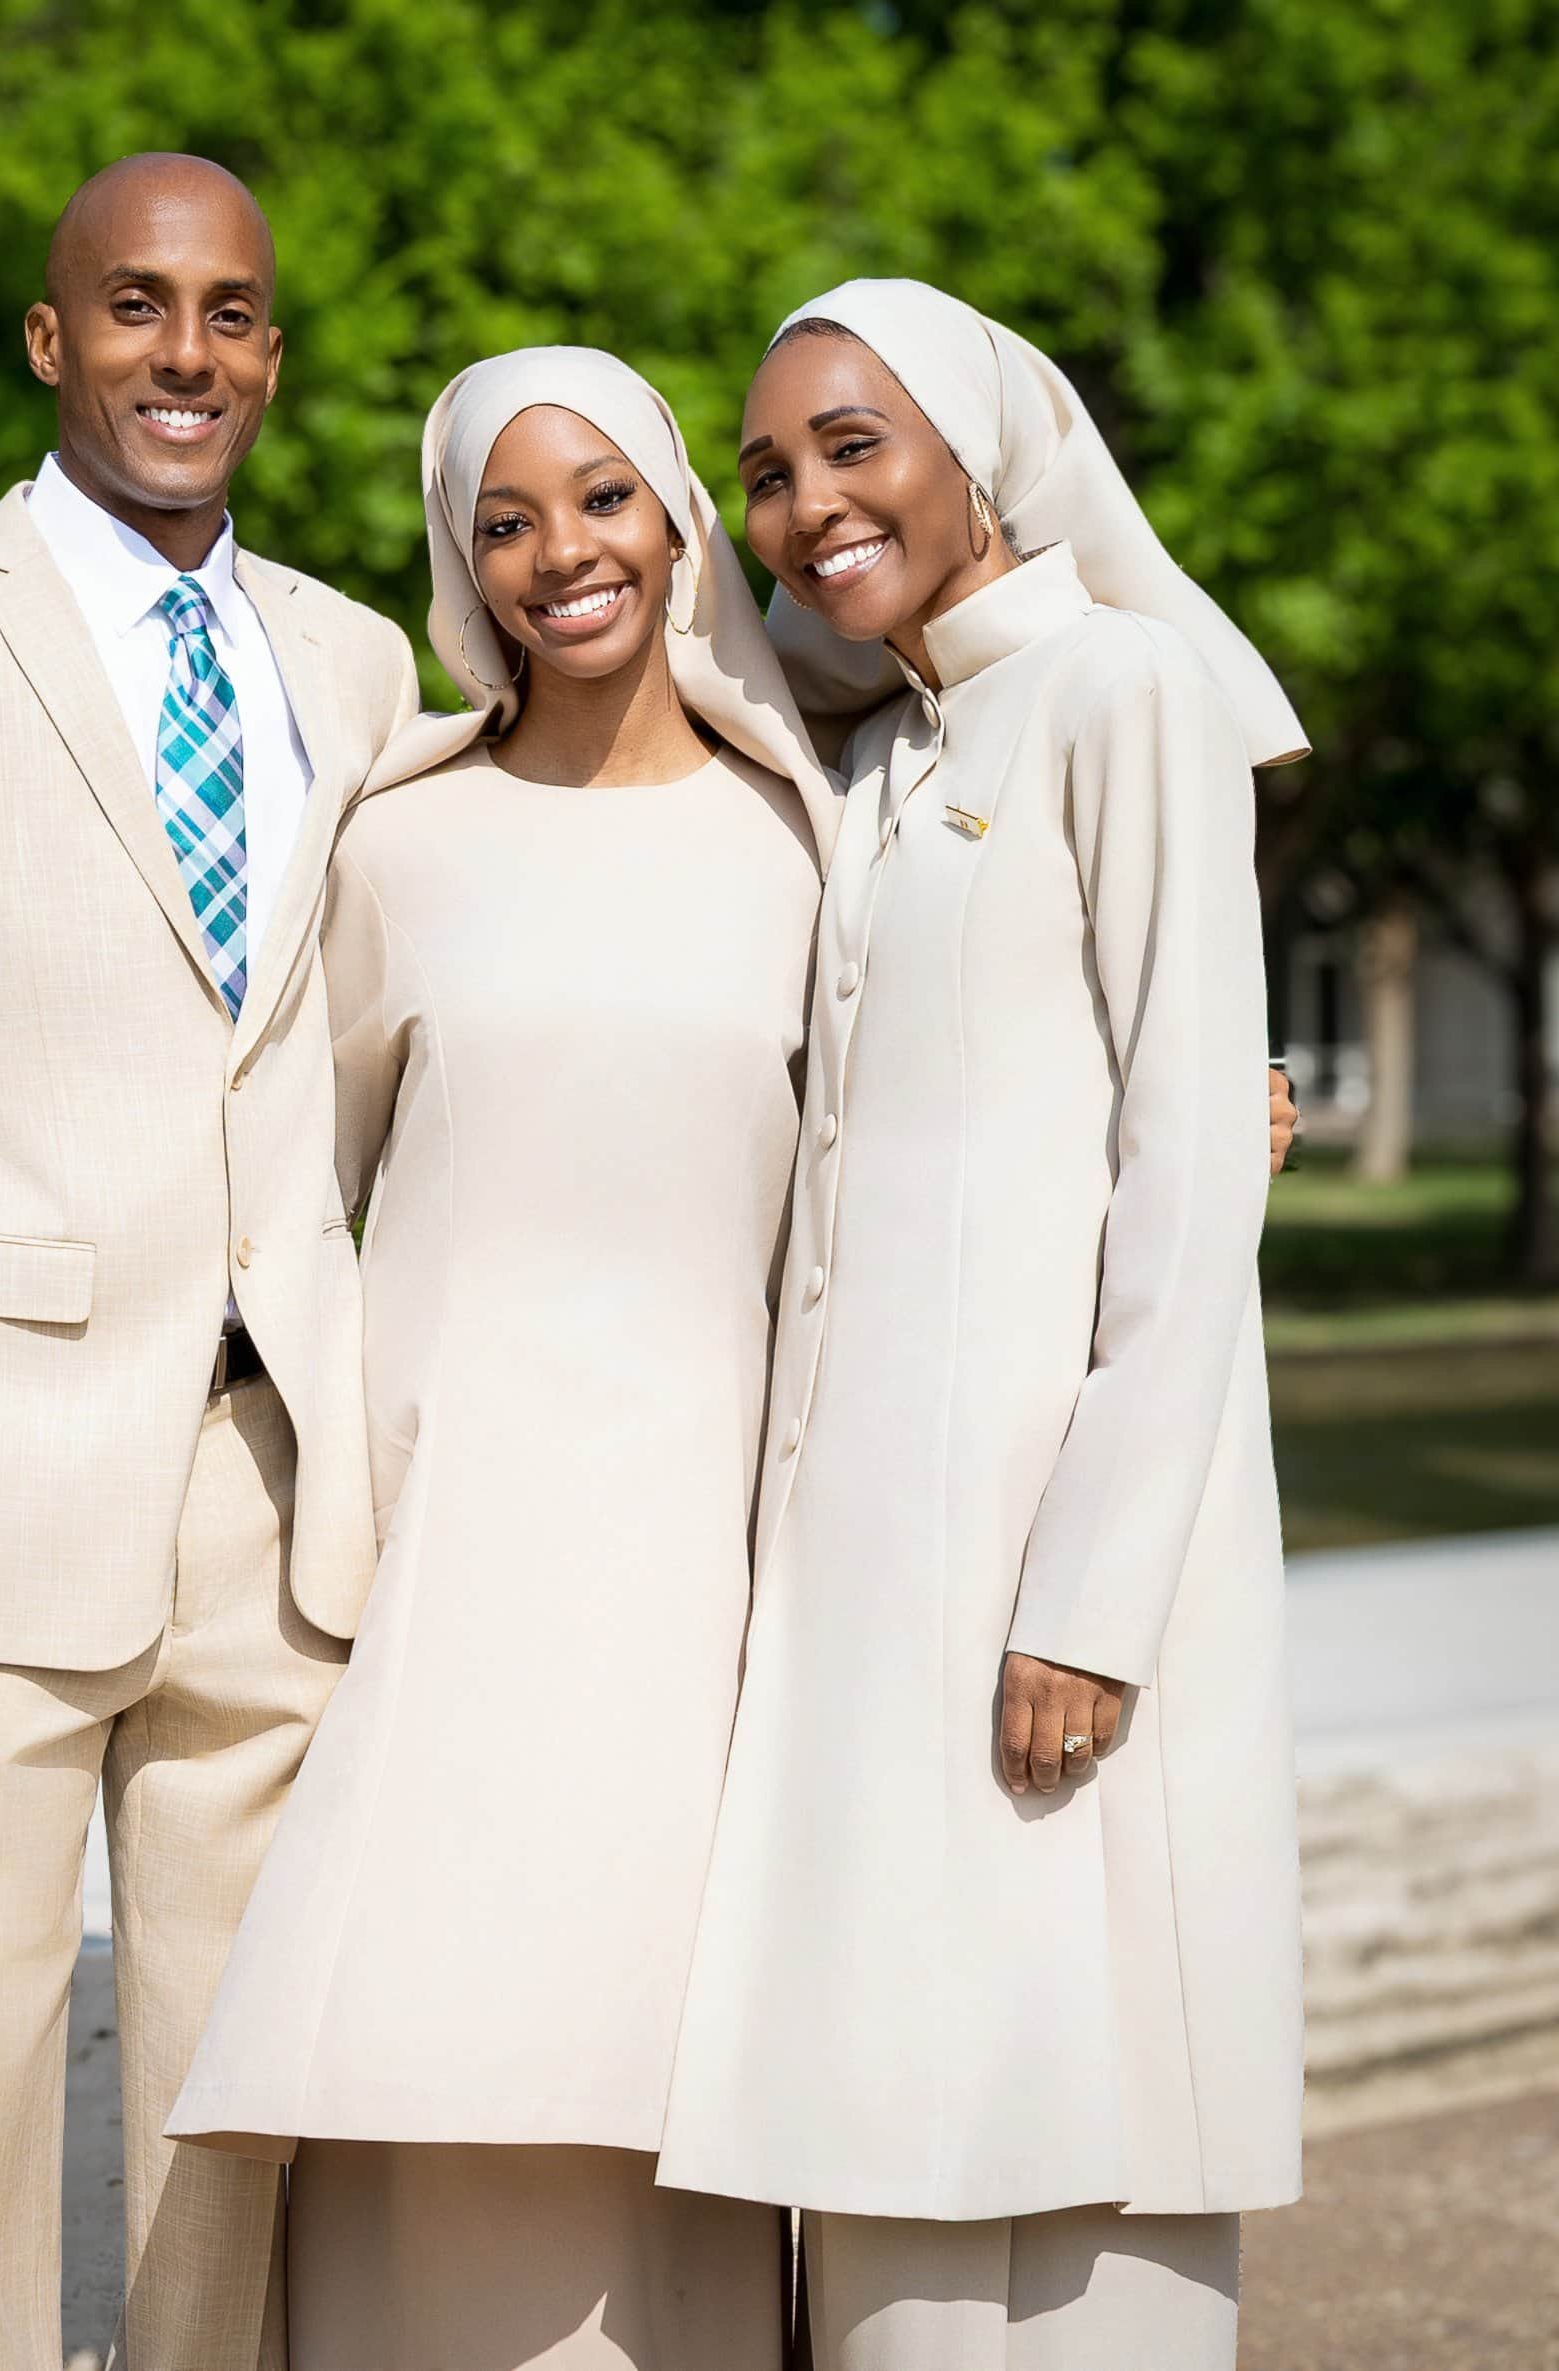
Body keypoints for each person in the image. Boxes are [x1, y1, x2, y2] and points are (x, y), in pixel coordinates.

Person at [0, 154, 416, 2370]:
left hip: (274, 1476)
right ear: (53, 339)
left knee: (242, 2103)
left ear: (272, 355)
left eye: (226, 314)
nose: (182, 354)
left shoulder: (361, 657)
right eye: (135, 307)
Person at [657, 279, 1308, 2370]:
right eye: (763, 472)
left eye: (853, 444)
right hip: (865, 1606)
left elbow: (1195, 1174)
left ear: (980, 449)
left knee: (1095, 2153)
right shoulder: (878, 760)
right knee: (889, 2147)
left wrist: (1090, 1598)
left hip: (1062, 1573)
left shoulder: (1123, 694)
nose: (803, 503)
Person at [166, 347, 839, 2368]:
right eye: (506, 519)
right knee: (426, 2069)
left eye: (605, 497)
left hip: (706, 1578)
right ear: (462, 567)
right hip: (447, 1568)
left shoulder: (803, 842)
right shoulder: (396, 843)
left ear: (679, 520)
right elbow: (287, 1183)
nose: (566, 554)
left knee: (669, 2109)